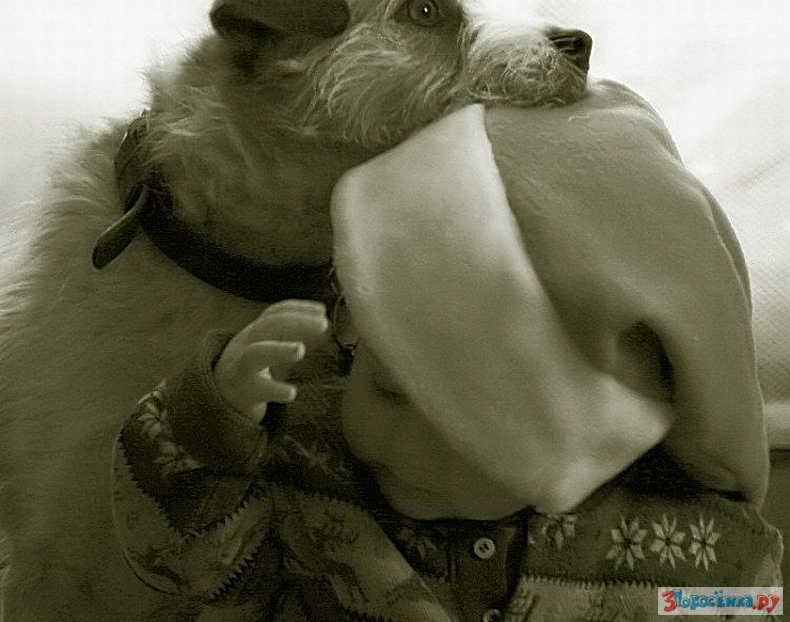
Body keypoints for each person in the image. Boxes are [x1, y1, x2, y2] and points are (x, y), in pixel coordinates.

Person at [112, 95, 782, 621]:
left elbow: (745, 605)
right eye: (383, 384)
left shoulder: (698, 554)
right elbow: (177, 559)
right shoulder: (309, 470)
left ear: (587, 435)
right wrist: (211, 422)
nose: (393, 440)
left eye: (464, 425)